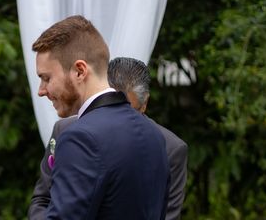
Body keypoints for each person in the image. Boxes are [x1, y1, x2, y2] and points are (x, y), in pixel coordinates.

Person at [32, 15, 169, 220]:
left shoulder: (80, 138)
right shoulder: (153, 134)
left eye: (46, 78)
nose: (41, 91)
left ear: (79, 71)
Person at [108, 57, 188, 220]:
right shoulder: (67, 131)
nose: (117, 121)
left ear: (144, 104)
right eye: (109, 109)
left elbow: (168, 216)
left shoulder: (170, 149)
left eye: (127, 113)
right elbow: (44, 200)